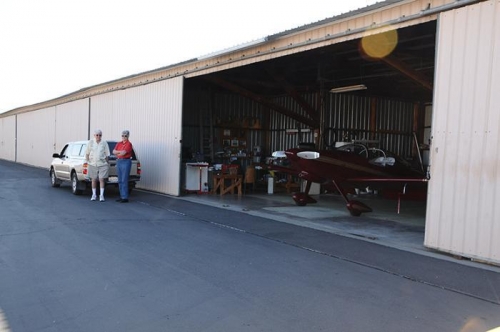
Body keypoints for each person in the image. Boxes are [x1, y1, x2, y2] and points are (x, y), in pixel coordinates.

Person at [85, 129, 110, 202]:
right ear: (94, 135)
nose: (98, 136)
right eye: (97, 135)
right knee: (94, 179)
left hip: (102, 164)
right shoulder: (91, 142)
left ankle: (101, 195)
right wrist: (88, 161)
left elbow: (107, 154)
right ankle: (94, 195)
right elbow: (87, 153)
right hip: (92, 164)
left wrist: (107, 163)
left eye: (100, 135)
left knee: (101, 179)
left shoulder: (104, 143)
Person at [113, 130, 133, 203]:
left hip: (126, 161)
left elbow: (123, 153)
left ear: (128, 136)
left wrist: (118, 153)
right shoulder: (119, 143)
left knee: (124, 179)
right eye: (122, 135)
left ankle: (125, 197)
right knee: (120, 180)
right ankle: (121, 196)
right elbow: (113, 151)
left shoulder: (129, 144)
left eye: (125, 136)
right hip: (119, 161)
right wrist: (119, 152)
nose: (124, 137)